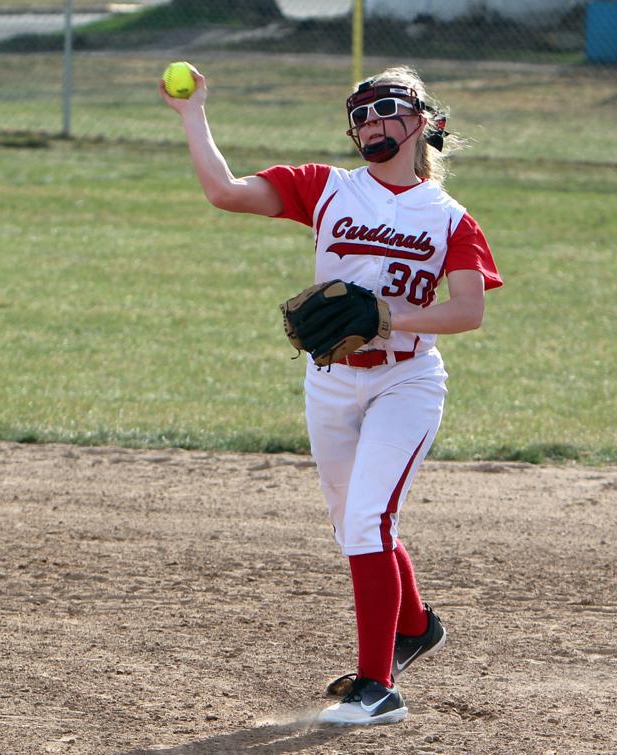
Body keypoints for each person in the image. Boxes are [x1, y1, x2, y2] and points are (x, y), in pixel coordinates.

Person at [161, 64, 502, 726]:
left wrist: (386, 318)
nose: (373, 125)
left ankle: (378, 688)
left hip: (405, 380)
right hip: (330, 379)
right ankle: (414, 627)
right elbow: (226, 193)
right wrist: (191, 115)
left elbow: (467, 311)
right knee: (356, 528)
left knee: (370, 518)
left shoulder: (450, 219)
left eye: (387, 111)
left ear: (423, 122)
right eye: (361, 116)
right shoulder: (327, 188)